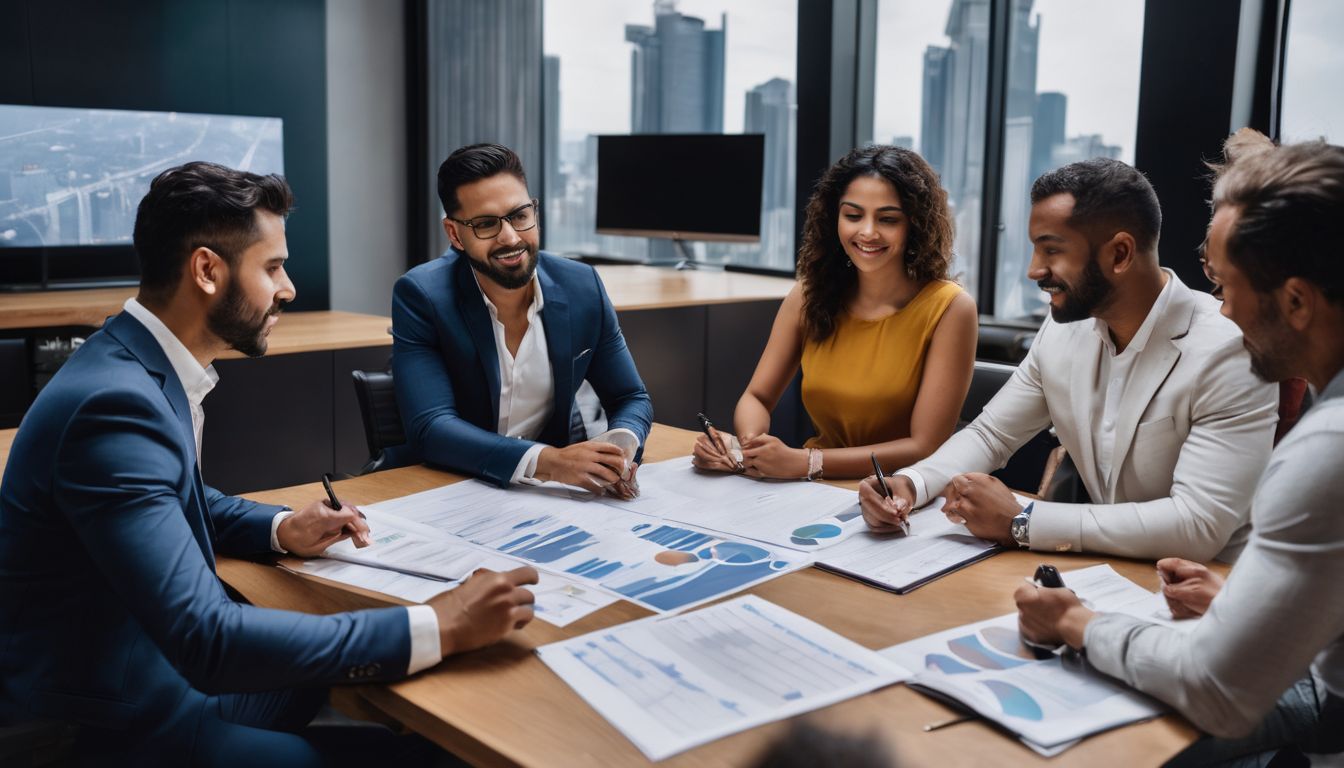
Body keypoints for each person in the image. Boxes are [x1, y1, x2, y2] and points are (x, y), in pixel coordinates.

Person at [0, 162, 538, 765]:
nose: (289, 289)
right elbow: (207, 640)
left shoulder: (130, 359)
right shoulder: (115, 405)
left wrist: (281, 528)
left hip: (153, 671)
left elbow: (180, 499)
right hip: (121, 716)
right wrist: (439, 625)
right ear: (207, 270)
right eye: (273, 266)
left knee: (385, 701)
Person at [1016, 132, 1344, 764]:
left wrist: (1074, 623)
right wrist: (1242, 601)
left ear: (1297, 301)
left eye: (1225, 288)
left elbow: (1216, 690)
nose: (1220, 313)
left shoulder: (1325, 452)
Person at [860, 157, 1277, 562]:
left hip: (1211, 587)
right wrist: (911, 485)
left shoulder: (1231, 350)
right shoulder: (1062, 328)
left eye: (1051, 251)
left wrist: (1023, 522)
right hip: (1101, 571)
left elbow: (1198, 524)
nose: (1033, 270)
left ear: (1119, 254)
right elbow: (991, 435)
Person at [692, 145, 977, 480]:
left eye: (887, 219)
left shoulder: (951, 309)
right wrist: (750, 448)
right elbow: (756, 396)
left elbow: (924, 446)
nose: (868, 232)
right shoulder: (809, 294)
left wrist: (808, 462)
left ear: (914, 224)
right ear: (834, 218)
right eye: (853, 216)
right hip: (812, 488)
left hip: (903, 493)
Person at [392, 143, 653, 495]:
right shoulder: (422, 295)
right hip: (451, 487)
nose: (511, 238)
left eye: (519, 215)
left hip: (546, 498)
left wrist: (618, 452)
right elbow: (431, 427)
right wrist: (548, 462)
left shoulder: (581, 286)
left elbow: (631, 396)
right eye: (486, 224)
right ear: (455, 234)